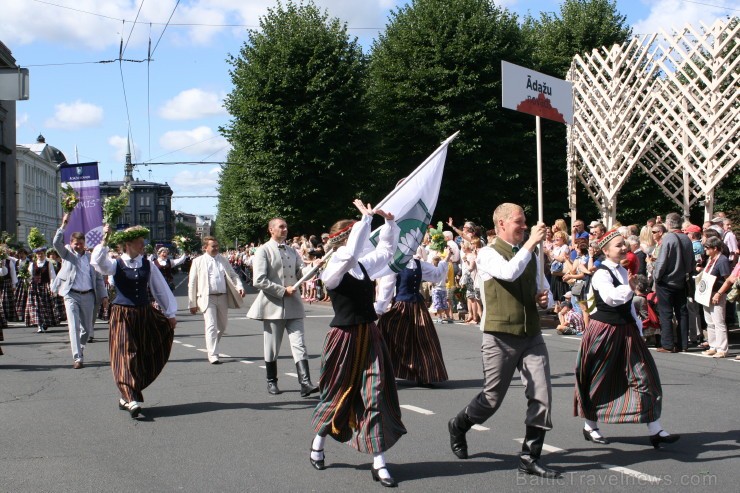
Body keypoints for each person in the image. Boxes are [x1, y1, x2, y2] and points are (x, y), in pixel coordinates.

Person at [447, 203, 562, 479]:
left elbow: (545, 294)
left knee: (542, 395)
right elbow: (509, 272)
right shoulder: (487, 254)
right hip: (499, 336)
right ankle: (459, 425)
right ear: (501, 225)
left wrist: (544, 300)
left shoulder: (532, 256)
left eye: (525, 223)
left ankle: (529, 456)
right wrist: (531, 243)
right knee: (492, 398)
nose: (524, 227)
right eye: (519, 223)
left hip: (531, 335)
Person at [309, 200, 405, 488]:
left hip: (369, 334)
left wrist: (388, 224)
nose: (363, 239)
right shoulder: (333, 270)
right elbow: (350, 252)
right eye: (358, 234)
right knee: (337, 392)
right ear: (345, 238)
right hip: (344, 338)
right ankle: (318, 441)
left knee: (374, 393)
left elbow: (387, 252)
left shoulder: (362, 267)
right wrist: (364, 221)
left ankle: (379, 462)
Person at [574, 229, 679, 449]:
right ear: (605, 251)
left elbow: (628, 305)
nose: (624, 248)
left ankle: (655, 428)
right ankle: (590, 425)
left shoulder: (622, 270)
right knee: (599, 379)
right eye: (618, 245)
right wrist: (629, 288)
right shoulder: (601, 273)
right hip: (604, 331)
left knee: (644, 376)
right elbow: (611, 298)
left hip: (627, 330)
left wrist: (637, 327)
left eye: (624, 244)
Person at [91, 225, 176, 418]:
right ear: (127, 245)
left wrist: (170, 314)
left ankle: (127, 395)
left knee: (144, 353)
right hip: (122, 314)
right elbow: (96, 262)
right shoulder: (115, 264)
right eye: (139, 242)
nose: (143, 245)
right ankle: (130, 398)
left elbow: (160, 289)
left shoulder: (147, 264)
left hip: (144, 313)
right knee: (126, 354)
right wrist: (104, 238)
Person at [247, 218, 318, 396]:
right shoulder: (263, 250)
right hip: (273, 305)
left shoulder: (292, 251)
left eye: (286, 226)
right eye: (281, 227)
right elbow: (259, 280)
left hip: (293, 305)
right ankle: (272, 380)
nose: (285, 229)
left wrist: (314, 268)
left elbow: (301, 273)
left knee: (299, 344)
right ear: (271, 230)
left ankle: (305, 383)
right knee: (272, 346)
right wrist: (281, 290)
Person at [375, 252, 449, 387]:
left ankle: (425, 375)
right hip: (402, 306)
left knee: (425, 340)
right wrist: (380, 309)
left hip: (418, 306)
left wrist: (447, 257)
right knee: (391, 334)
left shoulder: (419, 263)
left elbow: (436, 275)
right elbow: (387, 287)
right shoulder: (396, 264)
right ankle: (385, 371)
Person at [52, 213, 107, 369]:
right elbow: (56, 243)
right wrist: (63, 225)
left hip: (88, 295)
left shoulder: (91, 258)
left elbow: (98, 279)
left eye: (81, 244)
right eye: (76, 243)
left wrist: (104, 295)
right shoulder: (67, 255)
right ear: (71, 243)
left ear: (84, 244)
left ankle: (80, 347)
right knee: (73, 326)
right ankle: (78, 358)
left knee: (87, 329)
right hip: (71, 294)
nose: (78, 246)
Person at [188, 236, 245, 365]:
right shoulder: (198, 261)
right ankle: (213, 354)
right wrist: (192, 303)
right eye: (213, 246)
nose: (216, 248)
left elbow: (233, 275)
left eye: (217, 246)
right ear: (205, 248)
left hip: (223, 296)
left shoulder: (223, 260)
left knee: (222, 326)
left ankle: (211, 345)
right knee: (211, 326)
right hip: (207, 298)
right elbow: (192, 283)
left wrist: (239, 286)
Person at [652, 213, 695, 352]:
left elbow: (662, 261)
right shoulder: (687, 239)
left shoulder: (668, 238)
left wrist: (656, 277)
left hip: (666, 281)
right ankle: (683, 344)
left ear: (669, 224)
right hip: (681, 280)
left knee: (666, 313)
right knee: (682, 312)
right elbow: (691, 264)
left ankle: (668, 344)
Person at [700, 237, 731, 358]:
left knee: (719, 321)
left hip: (716, 293)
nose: (705, 250)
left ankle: (722, 349)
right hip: (707, 293)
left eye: (707, 248)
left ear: (715, 248)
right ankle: (713, 346)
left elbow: (727, 279)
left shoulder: (722, 260)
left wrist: (719, 293)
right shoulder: (711, 258)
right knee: (710, 321)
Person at [25, 248, 60, 333]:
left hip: (45, 287)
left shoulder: (48, 264)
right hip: (34, 287)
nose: (40, 255)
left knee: (45, 307)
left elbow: (52, 276)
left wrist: (53, 288)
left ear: (44, 255)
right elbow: (29, 276)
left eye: (41, 254)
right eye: (38, 254)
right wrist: (27, 281)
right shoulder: (32, 264)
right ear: (36, 255)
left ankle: (44, 323)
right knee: (35, 307)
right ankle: (39, 325)